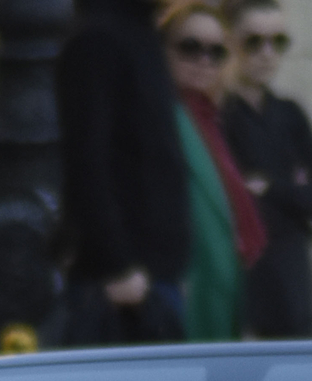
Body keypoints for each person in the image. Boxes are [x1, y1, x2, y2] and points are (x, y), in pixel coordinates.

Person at [55, 0, 192, 343]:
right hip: (126, 283)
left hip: (152, 272)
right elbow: (87, 158)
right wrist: (117, 264)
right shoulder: (98, 38)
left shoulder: (140, 35)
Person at [220, 1, 312, 339]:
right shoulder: (220, 115)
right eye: (254, 42)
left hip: (290, 271)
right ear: (231, 42)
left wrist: (272, 188)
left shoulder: (289, 113)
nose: (268, 53)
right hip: (242, 271)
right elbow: (233, 197)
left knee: (295, 373)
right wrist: (294, 195)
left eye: (278, 42)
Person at [162, 1, 264, 341]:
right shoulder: (165, 116)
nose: (204, 61)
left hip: (218, 293)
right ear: (164, 49)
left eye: (216, 52)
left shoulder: (209, 120)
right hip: (184, 294)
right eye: (190, 48)